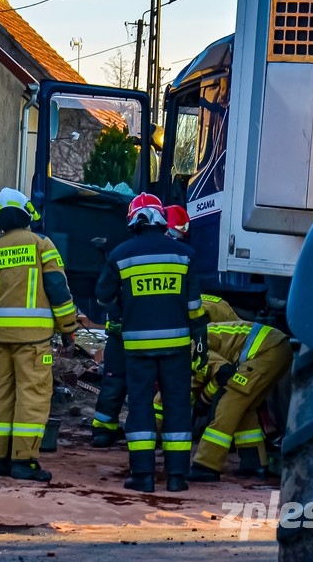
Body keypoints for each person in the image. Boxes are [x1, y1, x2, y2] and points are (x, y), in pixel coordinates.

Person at [96, 193, 207, 493]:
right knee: (177, 406)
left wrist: (122, 307)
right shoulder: (184, 255)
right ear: (161, 220)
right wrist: (199, 337)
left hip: (138, 350)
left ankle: (143, 476)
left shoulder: (120, 254)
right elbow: (195, 306)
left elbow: (102, 294)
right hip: (177, 349)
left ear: (133, 221)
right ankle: (176, 478)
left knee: (141, 406)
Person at [0, 188, 77, 482]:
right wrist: (69, 327)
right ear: (25, 214)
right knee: (31, 396)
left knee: (0, 395)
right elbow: (58, 289)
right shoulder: (41, 245)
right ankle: (23, 461)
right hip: (32, 341)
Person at [188, 319, 293, 482]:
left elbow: (224, 372)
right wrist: (204, 399)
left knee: (228, 403)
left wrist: (202, 402)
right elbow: (218, 376)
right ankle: (254, 463)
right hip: (280, 349)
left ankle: (205, 465)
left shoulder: (193, 346)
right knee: (244, 407)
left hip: (266, 351)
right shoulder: (202, 337)